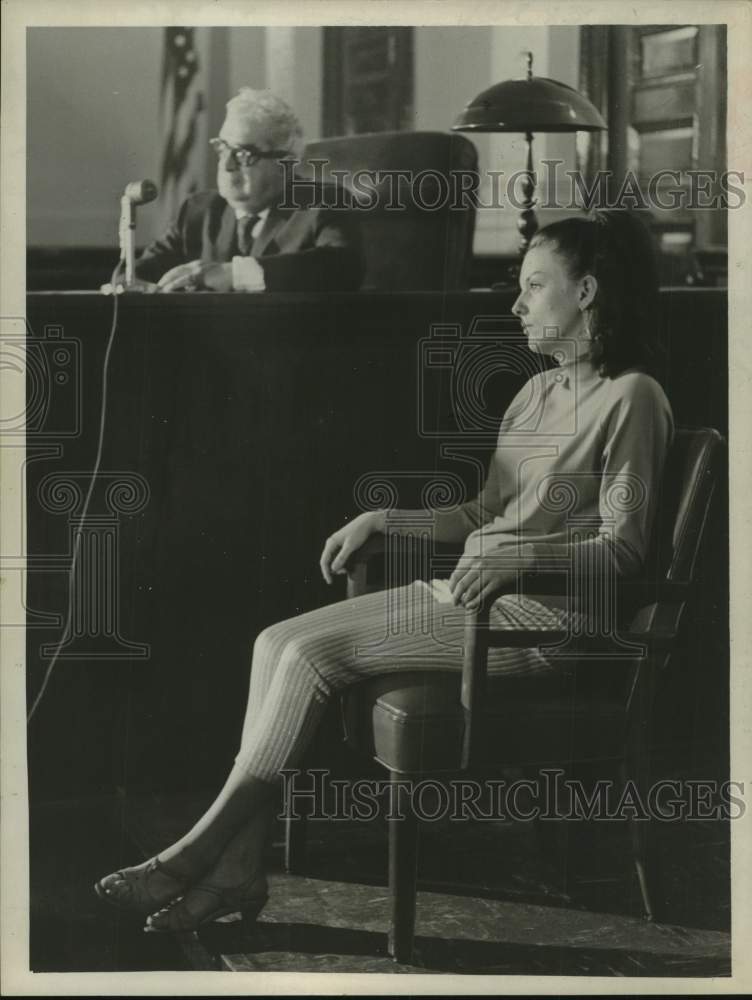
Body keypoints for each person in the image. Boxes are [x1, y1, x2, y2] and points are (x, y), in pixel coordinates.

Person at [95, 210, 674, 932]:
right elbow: (480, 512)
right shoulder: (537, 392)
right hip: (473, 600)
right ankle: (239, 871)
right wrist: (388, 520)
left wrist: (525, 555)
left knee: (306, 655)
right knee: (273, 641)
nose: (517, 304)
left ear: (586, 291)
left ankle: (195, 855)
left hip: (549, 621)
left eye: (534, 285)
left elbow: (626, 550)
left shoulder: (634, 398)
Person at [134, 88, 363, 293]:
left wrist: (234, 275)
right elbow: (136, 273)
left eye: (243, 155)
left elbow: (343, 266)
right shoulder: (198, 210)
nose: (226, 165)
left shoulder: (321, 202)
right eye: (222, 149)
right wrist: (134, 285)